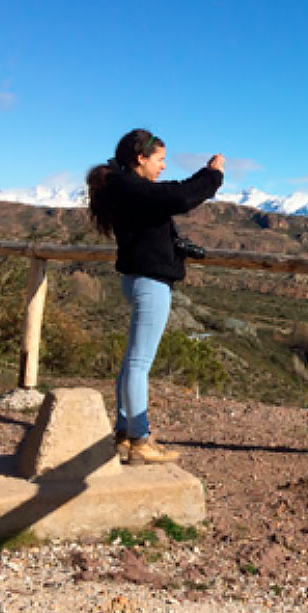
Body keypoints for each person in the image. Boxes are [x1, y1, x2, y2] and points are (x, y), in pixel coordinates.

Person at [86, 128, 224, 464]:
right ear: (140, 158)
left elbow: (165, 200)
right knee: (138, 363)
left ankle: (124, 432)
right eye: (160, 159)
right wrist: (212, 174)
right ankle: (140, 439)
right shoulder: (130, 188)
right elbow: (179, 197)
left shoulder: (126, 189)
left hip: (139, 279)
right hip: (149, 282)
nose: (164, 166)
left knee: (133, 360)